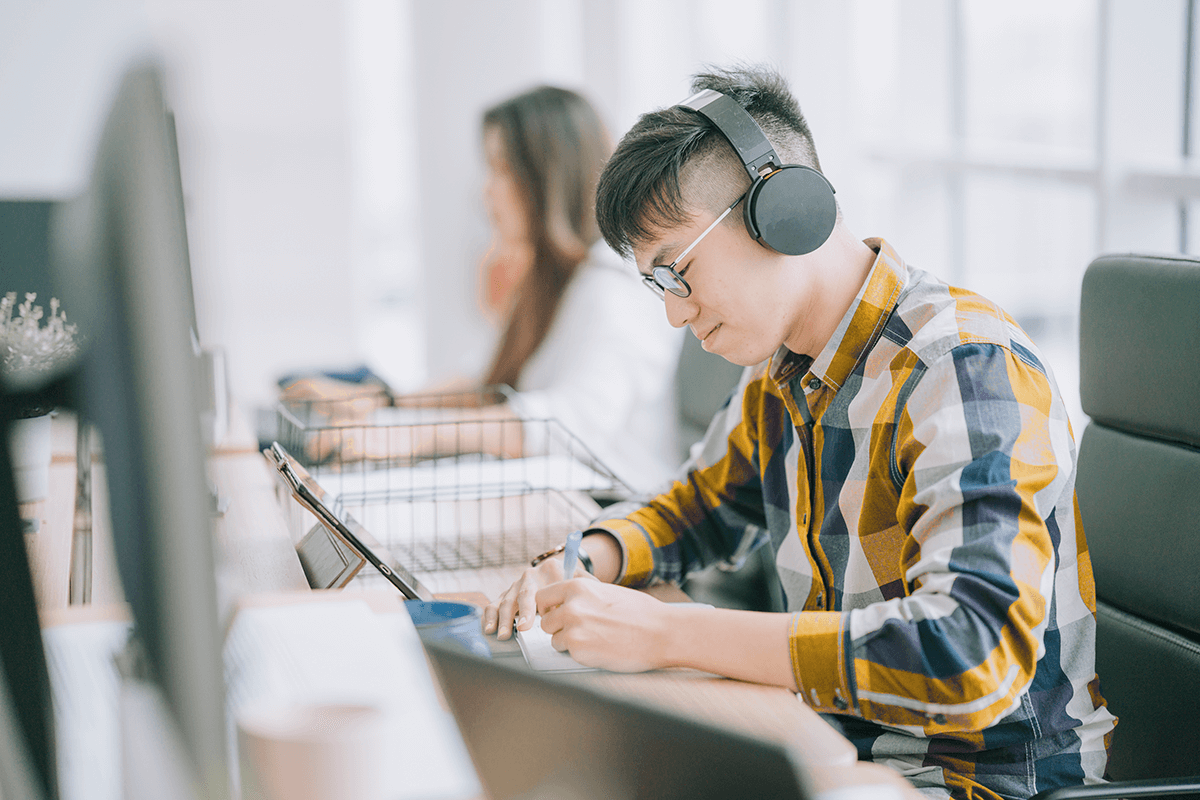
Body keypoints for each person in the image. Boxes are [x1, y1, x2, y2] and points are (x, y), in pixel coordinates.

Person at [483, 66, 1116, 799]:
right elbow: (695, 509)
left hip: (980, 782)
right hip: (834, 749)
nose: (675, 316)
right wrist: (592, 556)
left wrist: (667, 633)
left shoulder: (965, 369)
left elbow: (969, 653)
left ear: (785, 210)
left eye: (677, 272)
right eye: (657, 287)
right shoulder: (782, 373)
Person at [283, 86, 682, 492]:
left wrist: (407, 435)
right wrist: (382, 403)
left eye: (503, 169)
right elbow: (482, 380)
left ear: (549, 175)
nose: (487, 190)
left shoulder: (614, 287)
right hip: (557, 500)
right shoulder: (551, 280)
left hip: (616, 511)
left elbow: (572, 423)